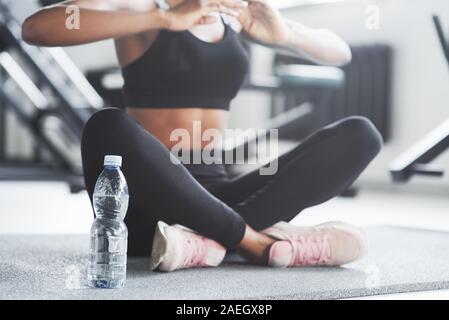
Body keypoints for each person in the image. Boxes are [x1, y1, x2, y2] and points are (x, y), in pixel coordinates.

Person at [23, 0, 383, 272]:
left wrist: (284, 34)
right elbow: (37, 28)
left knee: (361, 135)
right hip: (149, 207)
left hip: (218, 193)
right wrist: (163, 19)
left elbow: (340, 52)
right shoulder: (145, 7)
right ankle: (255, 241)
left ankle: (209, 241)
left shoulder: (232, 15)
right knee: (106, 126)